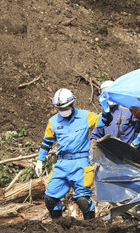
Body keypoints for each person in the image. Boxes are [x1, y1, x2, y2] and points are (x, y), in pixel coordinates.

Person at [35, 88, 112, 219]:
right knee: (50, 199)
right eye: (60, 108)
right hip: (62, 163)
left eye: (65, 108)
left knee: (83, 200)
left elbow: (104, 121)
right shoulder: (53, 121)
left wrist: (106, 109)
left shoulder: (85, 116)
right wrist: (40, 160)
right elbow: (47, 142)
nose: (63, 110)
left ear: (72, 103)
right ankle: (58, 225)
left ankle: (91, 225)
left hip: (80, 163)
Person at [91, 80, 140, 145]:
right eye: (105, 94)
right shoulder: (102, 116)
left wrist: (139, 118)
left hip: (129, 149)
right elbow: (95, 136)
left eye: (111, 93)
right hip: (111, 150)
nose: (109, 96)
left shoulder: (128, 110)